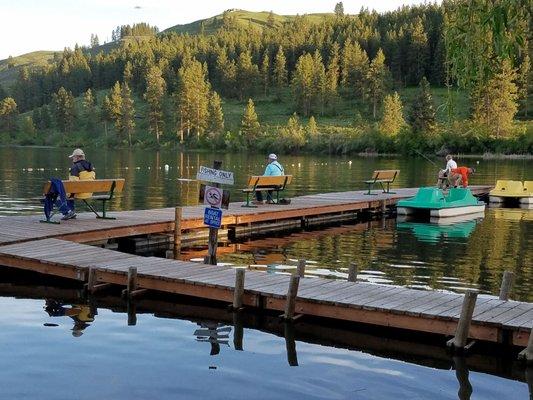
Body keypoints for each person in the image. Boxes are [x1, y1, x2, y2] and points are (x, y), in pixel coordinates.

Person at [62, 148, 96, 220]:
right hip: (89, 193)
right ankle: (71, 212)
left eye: (73, 157)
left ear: (77, 157)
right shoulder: (91, 166)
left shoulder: (75, 167)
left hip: (80, 193)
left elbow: (73, 186)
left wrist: (65, 193)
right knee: (70, 193)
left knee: (60, 195)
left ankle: (69, 212)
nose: (72, 159)